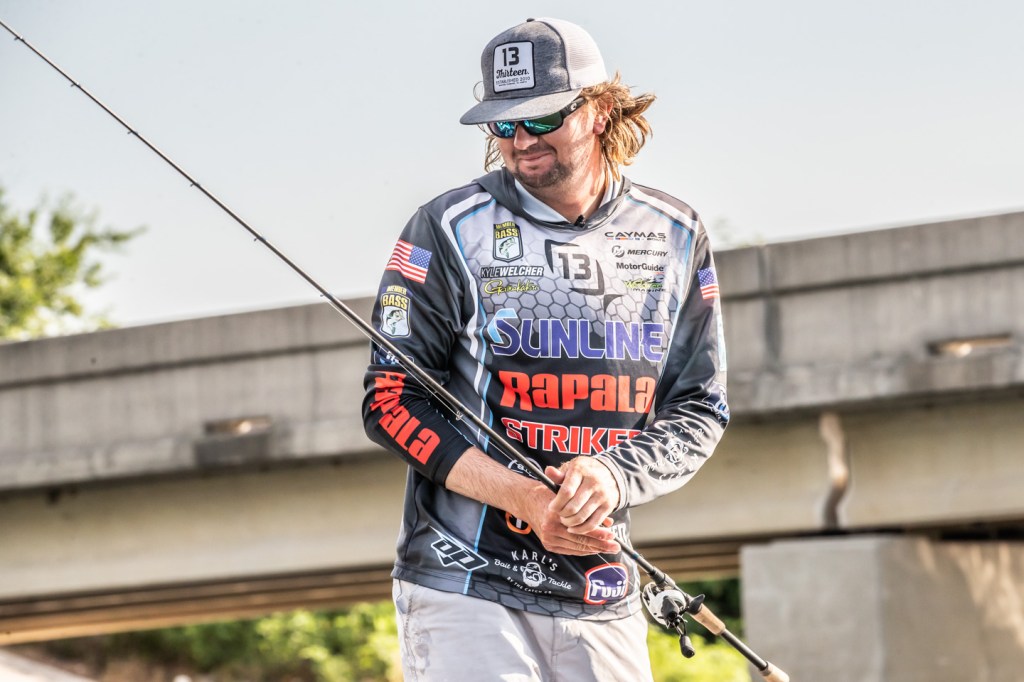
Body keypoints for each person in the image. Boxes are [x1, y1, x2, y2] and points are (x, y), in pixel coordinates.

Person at [362, 17, 729, 682]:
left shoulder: (676, 233)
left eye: (542, 118)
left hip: (601, 586)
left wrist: (614, 476)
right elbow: (390, 401)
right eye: (503, 125)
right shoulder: (446, 228)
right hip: (463, 584)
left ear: (601, 109)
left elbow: (700, 409)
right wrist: (524, 498)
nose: (522, 141)